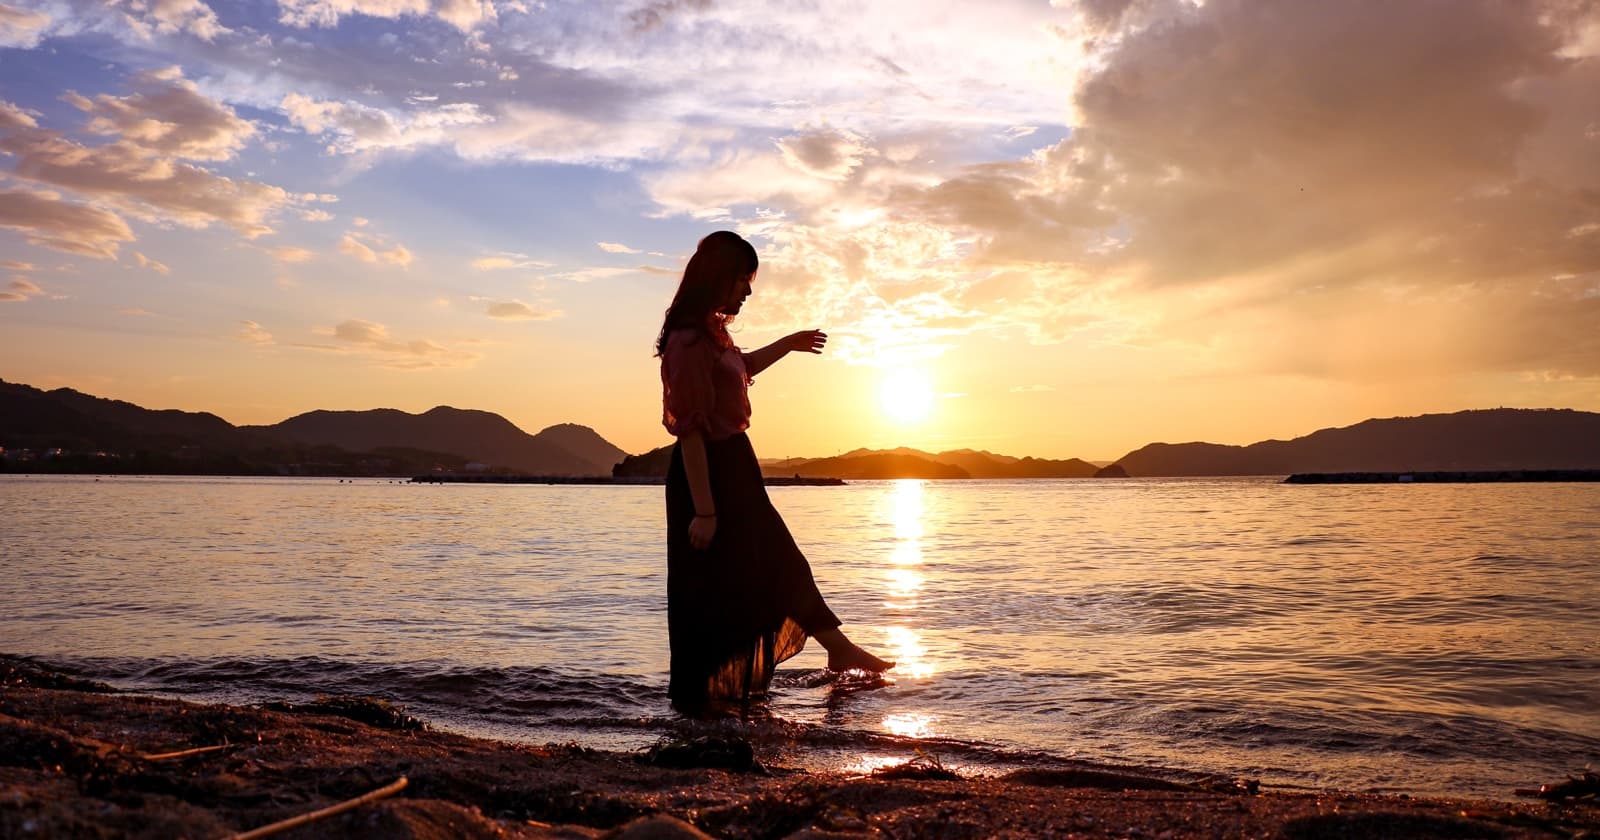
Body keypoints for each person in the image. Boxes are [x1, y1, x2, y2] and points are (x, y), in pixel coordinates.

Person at [657, 230, 894, 711]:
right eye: (743, 280)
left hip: (736, 468)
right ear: (720, 277)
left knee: (771, 566)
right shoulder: (686, 341)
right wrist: (705, 512)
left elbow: (740, 367)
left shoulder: (711, 333)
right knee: (715, 586)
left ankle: (832, 653)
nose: (748, 291)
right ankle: (709, 695)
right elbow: (691, 433)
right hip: (709, 476)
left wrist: (789, 344)